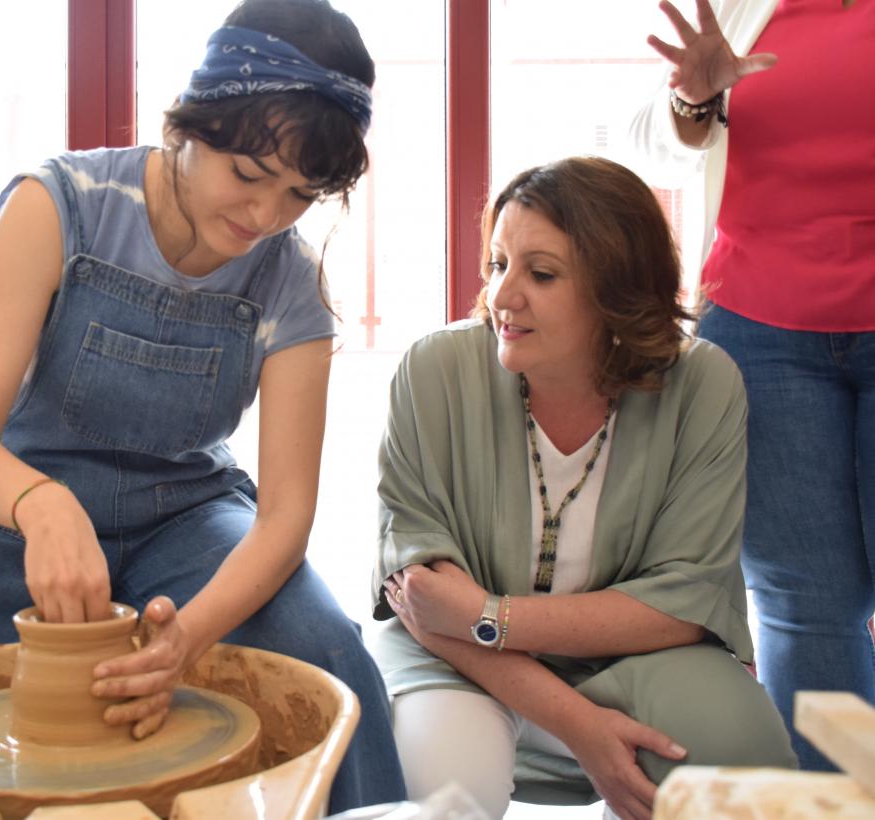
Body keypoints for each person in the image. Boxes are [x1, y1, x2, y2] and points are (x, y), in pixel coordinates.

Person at [0, 0, 406, 810]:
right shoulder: (61, 203)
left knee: (331, 655)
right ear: (188, 123)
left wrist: (189, 638)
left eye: (299, 195)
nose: (265, 216)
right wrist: (40, 506)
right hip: (10, 513)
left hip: (190, 517)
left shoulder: (291, 279)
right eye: (248, 175)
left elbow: (284, 519)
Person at [371, 157, 796, 820]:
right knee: (445, 797)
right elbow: (424, 604)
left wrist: (488, 614)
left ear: (616, 291)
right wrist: (578, 724)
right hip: (456, 663)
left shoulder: (703, 386)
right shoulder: (433, 371)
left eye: (541, 274)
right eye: (496, 262)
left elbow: (685, 605)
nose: (503, 295)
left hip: (637, 661)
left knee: (746, 781)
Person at [629, 0, 875, 771]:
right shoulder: (741, 6)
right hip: (764, 334)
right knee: (807, 608)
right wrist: (692, 102)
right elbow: (654, 145)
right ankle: (835, 802)